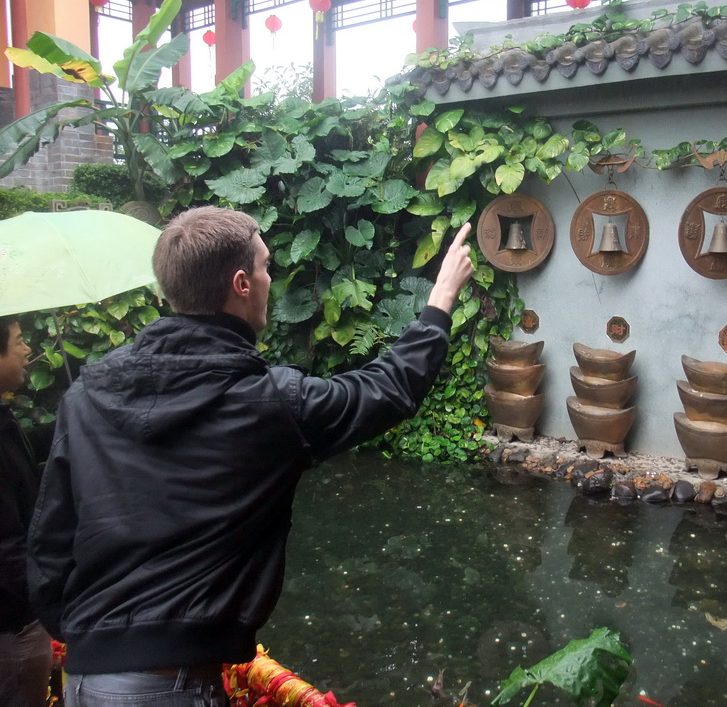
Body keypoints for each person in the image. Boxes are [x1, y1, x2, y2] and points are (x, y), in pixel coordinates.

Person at [27, 206, 475, 707]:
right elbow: (386, 390)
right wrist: (440, 300)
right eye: (266, 267)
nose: (269, 279)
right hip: (172, 684)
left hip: (86, 679)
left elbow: (50, 544)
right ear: (242, 283)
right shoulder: (269, 404)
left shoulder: (86, 395)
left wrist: (91, 636)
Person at [0, 315, 53, 707]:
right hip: (12, 626)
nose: (27, 349)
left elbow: (25, 453)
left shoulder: (4, 422)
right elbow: (6, 546)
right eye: (18, 341)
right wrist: (44, 602)